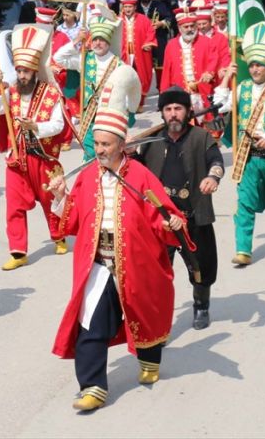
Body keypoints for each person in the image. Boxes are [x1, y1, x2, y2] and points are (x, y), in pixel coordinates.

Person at [47, 107, 188, 410]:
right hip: (99, 264)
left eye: (106, 144)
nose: (99, 150)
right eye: (96, 144)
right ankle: (93, 386)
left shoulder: (141, 175)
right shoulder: (86, 177)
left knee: (146, 316)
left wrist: (171, 223)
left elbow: (162, 213)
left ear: (121, 145)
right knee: (91, 324)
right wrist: (60, 196)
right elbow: (71, 220)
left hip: (138, 263)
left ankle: (150, 361)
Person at [0, 25, 73, 270]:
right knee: (14, 206)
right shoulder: (9, 92)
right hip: (17, 158)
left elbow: (57, 124)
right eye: (19, 70)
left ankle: (59, 235)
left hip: (42, 157)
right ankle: (18, 251)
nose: (21, 75)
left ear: (35, 71)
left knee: (50, 199)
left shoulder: (50, 94)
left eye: (26, 71)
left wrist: (34, 126)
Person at [134, 88, 225, 330]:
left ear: (187, 112)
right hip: (160, 218)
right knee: (157, 273)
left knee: (201, 266)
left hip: (193, 214)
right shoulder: (151, 140)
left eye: (178, 109)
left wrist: (213, 178)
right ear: (162, 113)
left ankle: (201, 306)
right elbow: (134, 171)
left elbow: (216, 161)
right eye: (168, 109)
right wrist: (127, 153)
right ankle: (158, 318)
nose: (173, 114)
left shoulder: (200, 137)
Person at [214, 22, 265, 265]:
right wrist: (228, 76)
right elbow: (221, 105)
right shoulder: (242, 88)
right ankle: (243, 249)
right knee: (245, 203)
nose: (254, 69)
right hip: (247, 156)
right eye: (251, 65)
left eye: (258, 64)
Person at [52, 12, 141, 161]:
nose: (98, 43)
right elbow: (58, 58)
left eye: (102, 40)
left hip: (109, 117)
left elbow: (128, 93)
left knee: (109, 156)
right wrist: (77, 40)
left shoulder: (119, 64)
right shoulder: (85, 59)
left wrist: (129, 112)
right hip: (89, 117)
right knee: (89, 155)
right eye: (95, 39)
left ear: (108, 41)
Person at [160, 8, 217, 118]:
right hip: (180, 91)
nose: (190, 29)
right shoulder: (171, 45)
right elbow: (167, 71)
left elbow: (214, 59)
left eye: (192, 26)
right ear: (179, 28)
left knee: (208, 122)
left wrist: (209, 72)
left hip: (203, 90)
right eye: (186, 27)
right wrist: (164, 95)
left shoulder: (207, 42)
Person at [117, 0, 156, 110]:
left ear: (135, 7)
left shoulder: (144, 19)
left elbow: (150, 33)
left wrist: (148, 43)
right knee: (124, 77)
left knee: (141, 77)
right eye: (125, 7)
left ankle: (139, 103)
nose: (127, 9)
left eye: (130, 7)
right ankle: (125, 103)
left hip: (139, 52)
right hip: (124, 52)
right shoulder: (117, 21)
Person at [136, 0, 175, 90]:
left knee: (160, 66)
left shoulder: (159, 5)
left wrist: (161, 23)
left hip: (158, 39)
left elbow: (169, 18)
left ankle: (161, 88)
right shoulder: (136, 6)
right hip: (141, 41)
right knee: (142, 66)